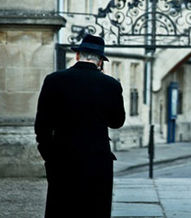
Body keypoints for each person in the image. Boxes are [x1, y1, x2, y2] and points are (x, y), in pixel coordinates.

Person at [34, 34, 126, 218]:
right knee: (95, 209)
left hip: (62, 157)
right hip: (97, 159)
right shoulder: (111, 85)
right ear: (100, 61)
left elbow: (42, 125)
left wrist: (49, 156)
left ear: (77, 56)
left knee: (61, 208)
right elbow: (117, 122)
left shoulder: (54, 80)